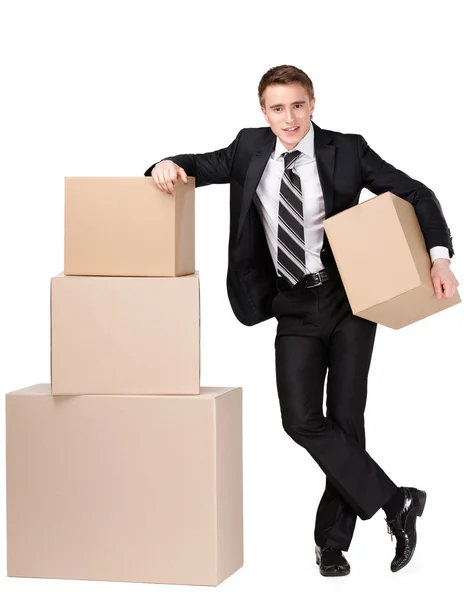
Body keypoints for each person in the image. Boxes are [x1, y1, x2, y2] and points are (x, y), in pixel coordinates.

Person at [144, 65, 459, 577]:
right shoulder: (249, 148)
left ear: (312, 104)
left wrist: (439, 256)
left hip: (349, 298)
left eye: (297, 105)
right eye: (276, 107)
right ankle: (396, 500)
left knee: (346, 419)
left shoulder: (347, 149)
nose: (287, 118)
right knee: (300, 419)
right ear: (262, 111)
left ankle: (331, 543)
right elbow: (195, 164)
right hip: (290, 302)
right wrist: (164, 163)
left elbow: (416, 192)